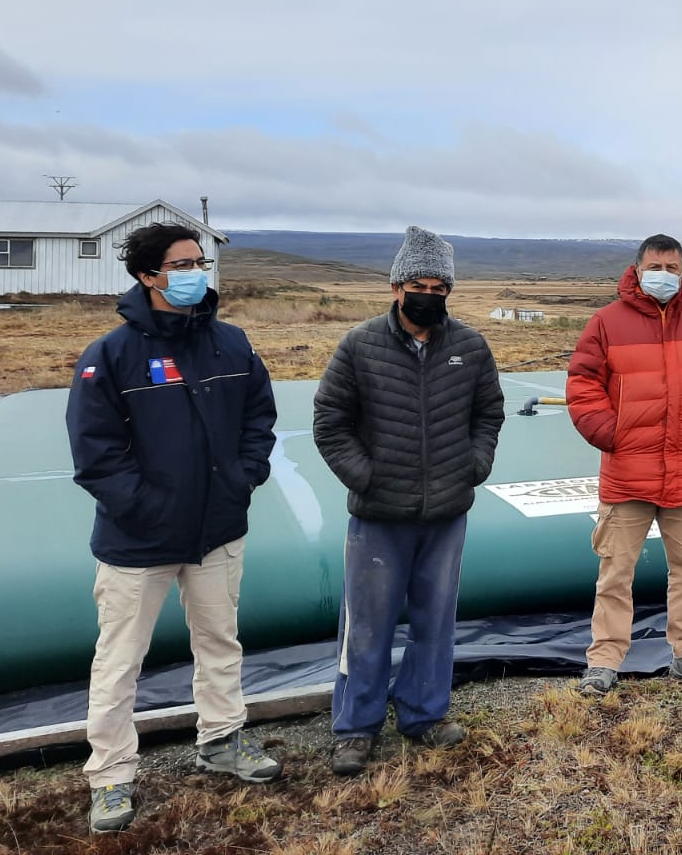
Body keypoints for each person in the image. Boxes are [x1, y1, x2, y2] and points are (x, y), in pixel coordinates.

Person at [69, 222, 282, 834]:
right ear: (147, 276)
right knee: (119, 661)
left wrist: (243, 476)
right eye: (182, 264)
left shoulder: (231, 345)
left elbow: (258, 417)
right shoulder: (110, 357)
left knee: (220, 641)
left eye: (200, 262)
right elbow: (96, 454)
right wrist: (145, 508)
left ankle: (221, 739)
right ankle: (110, 776)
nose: (196, 273)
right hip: (137, 541)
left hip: (217, 528)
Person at [313, 225, 505, 774]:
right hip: (378, 516)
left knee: (436, 619)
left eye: (441, 288)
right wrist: (365, 476)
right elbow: (330, 422)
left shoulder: (469, 347)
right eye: (420, 284)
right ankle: (356, 727)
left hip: (446, 513)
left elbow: (488, 413)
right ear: (396, 287)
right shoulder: (360, 345)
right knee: (367, 624)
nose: (430, 296)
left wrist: (474, 465)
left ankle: (424, 714)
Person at [567, 234, 682, 696]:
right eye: (655, 266)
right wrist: (609, 433)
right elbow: (583, 382)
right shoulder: (607, 323)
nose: (663, 275)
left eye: (672, 268)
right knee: (615, 570)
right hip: (628, 472)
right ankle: (605, 660)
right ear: (637, 268)